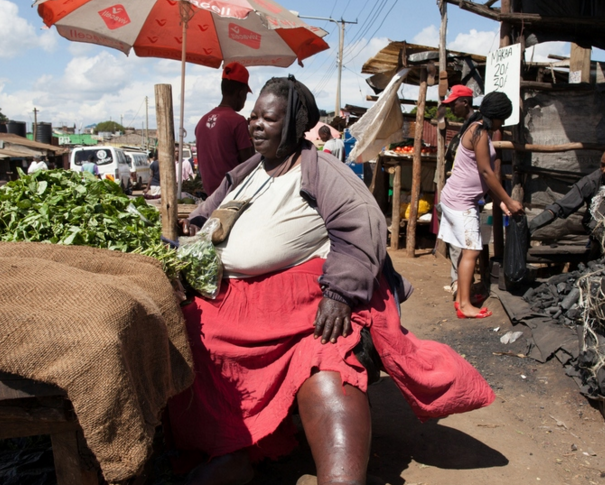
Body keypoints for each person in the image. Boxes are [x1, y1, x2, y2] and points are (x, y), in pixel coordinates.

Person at [169, 76, 495, 485]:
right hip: (235, 303)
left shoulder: (322, 170)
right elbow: (205, 211)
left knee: (326, 355)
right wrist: (193, 232)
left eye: (268, 119)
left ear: (293, 124)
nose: (255, 125)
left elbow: (363, 228)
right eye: (253, 117)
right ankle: (232, 450)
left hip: (304, 300)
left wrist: (339, 293)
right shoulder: (246, 171)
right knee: (192, 338)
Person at [438, 91, 524, 319]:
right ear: (496, 115)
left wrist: (501, 202)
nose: (502, 123)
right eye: (502, 118)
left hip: (457, 198)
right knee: (472, 249)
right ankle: (464, 306)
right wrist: (508, 200)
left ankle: (461, 297)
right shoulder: (479, 132)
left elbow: (481, 173)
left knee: (467, 248)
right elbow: (486, 172)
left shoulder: (476, 128)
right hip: (460, 202)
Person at [195, 62, 255, 195]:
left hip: (210, 198)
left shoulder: (202, 121)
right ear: (241, 93)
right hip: (231, 196)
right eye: (245, 95)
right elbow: (250, 164)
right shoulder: (238, 121)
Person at [439, 84, 476, 301]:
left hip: (464, 195)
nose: (452, 107)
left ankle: (462, 290)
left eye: (454, 103)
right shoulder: (466, 126)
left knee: (467, 245)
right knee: (457, 242)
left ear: (465, 102)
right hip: (456, 192)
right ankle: (457, 283)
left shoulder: (475, 127)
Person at [528, 147, 605, 234]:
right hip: (599, 231)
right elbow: (562, 205)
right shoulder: (591, 181)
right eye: (602, 165)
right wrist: (533, 224)